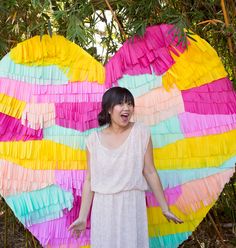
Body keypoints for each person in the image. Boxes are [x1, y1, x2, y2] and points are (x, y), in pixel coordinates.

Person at [68, 87, 183, 248]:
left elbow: (150, 171)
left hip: (131, 204)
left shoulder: (141, 133)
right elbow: (90, 180)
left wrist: (165, 208)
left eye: (129, 104)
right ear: (109, 109)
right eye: (120, 104)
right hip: (104, 208)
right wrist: (82, 217)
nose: (127, 108)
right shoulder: (93, 140)